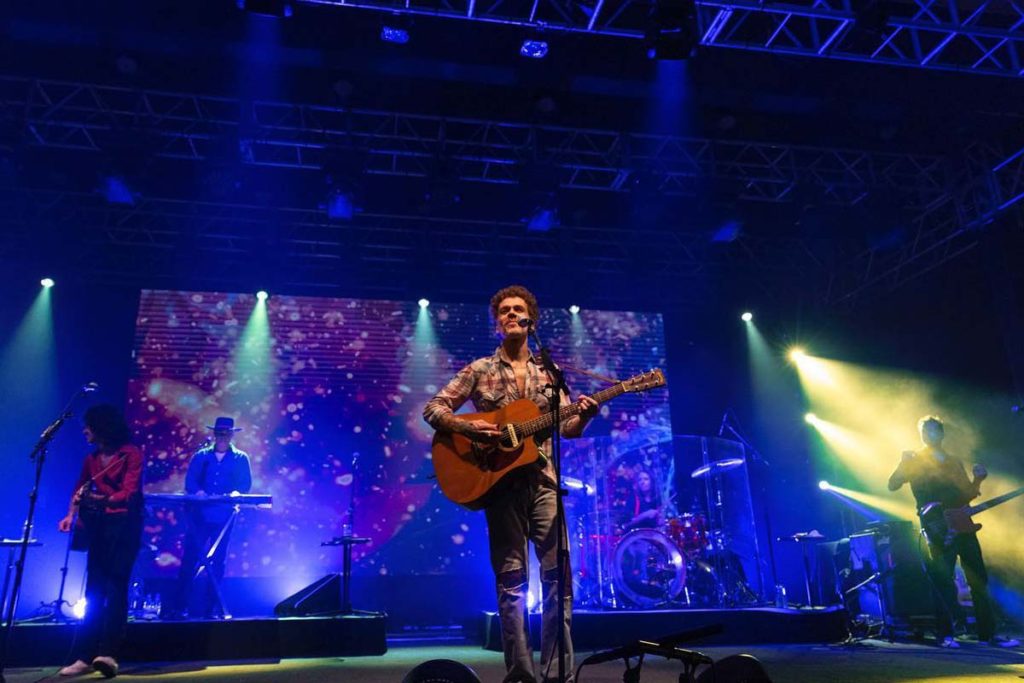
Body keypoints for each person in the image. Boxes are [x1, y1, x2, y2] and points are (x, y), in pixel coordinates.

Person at [423, 285, 599, 683]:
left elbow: (568, 428)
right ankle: (520, 675)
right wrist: (475, 428)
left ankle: (556, 675)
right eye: (504, 310)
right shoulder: (480, 369)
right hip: (499, 486)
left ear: (531, 318)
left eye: (519, 309)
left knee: (558, 580)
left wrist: (587, 414)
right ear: (497, 321)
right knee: (512, 583)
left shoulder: (549, 373)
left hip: (544, 483)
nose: (512, 315)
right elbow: (433, 408)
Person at [887, 415, 1019, 649]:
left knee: (978, 578)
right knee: (943, 580)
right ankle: (945, 635)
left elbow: (966, 494)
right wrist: (901, 464)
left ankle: (987, 635)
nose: (928, 435)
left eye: (933, 430)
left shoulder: (954, 461)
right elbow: (893, 484)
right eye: (924, 431)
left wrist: (978, 480)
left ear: (942, 433)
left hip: (963, 524)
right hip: (937, 526)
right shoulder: (915, 460)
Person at [57, 404, 143, 679]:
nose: (85, 431)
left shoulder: (130, 454)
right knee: (93, 589)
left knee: (116, 589)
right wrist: (71, 514)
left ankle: (109, 654)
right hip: (100, 527)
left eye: (89, 426)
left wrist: (98, 500)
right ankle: (84, 655)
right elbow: (79, 488)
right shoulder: (91, 460)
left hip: (124, 527)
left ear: (103, 428)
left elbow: (129, 493)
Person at [167, 416, 252, 620]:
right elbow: (191, 481)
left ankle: (211, 608)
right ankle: (179, 607)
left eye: (226, 433)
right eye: (219, 433)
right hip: (200, 515)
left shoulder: (240, 458)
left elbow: (245, 484)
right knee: (190, 558)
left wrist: (235, 493)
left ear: (231, 435)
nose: (222, 437)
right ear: (214, 434)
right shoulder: (201, 456)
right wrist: (197, 493)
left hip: (224, 516)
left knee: (218, 561)